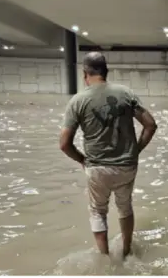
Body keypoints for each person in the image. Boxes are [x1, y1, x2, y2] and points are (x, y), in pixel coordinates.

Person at [59, 52, 158, 258]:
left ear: (84, 74)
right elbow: (150, 125)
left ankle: (104, 258)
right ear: (106, 72)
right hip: (126, 166)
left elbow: (64, 144)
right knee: (125, 207)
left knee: (97, 211)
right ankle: (127, 251)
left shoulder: (78, 101)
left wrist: (82, 160)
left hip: (97, 168)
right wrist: (135, 150)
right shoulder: (125, 94)